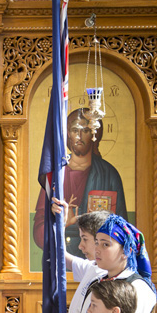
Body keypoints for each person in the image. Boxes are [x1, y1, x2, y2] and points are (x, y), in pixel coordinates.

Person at [34, 108, 128, 256]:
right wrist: (61, 222)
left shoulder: (109, 174)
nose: (79, 136)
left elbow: (121, 227)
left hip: (98, 259)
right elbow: (39, 229)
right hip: (63, 257)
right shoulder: (55, 175)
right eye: (74, 130)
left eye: (85, 130)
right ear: (67, 135)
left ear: (94, 134)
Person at [50, 201, 111, 313]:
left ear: (101, 239)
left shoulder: (112, 278)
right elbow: (61, 257)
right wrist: (62, 223)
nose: (80, 246)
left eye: (85, 239)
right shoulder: (93, 267)